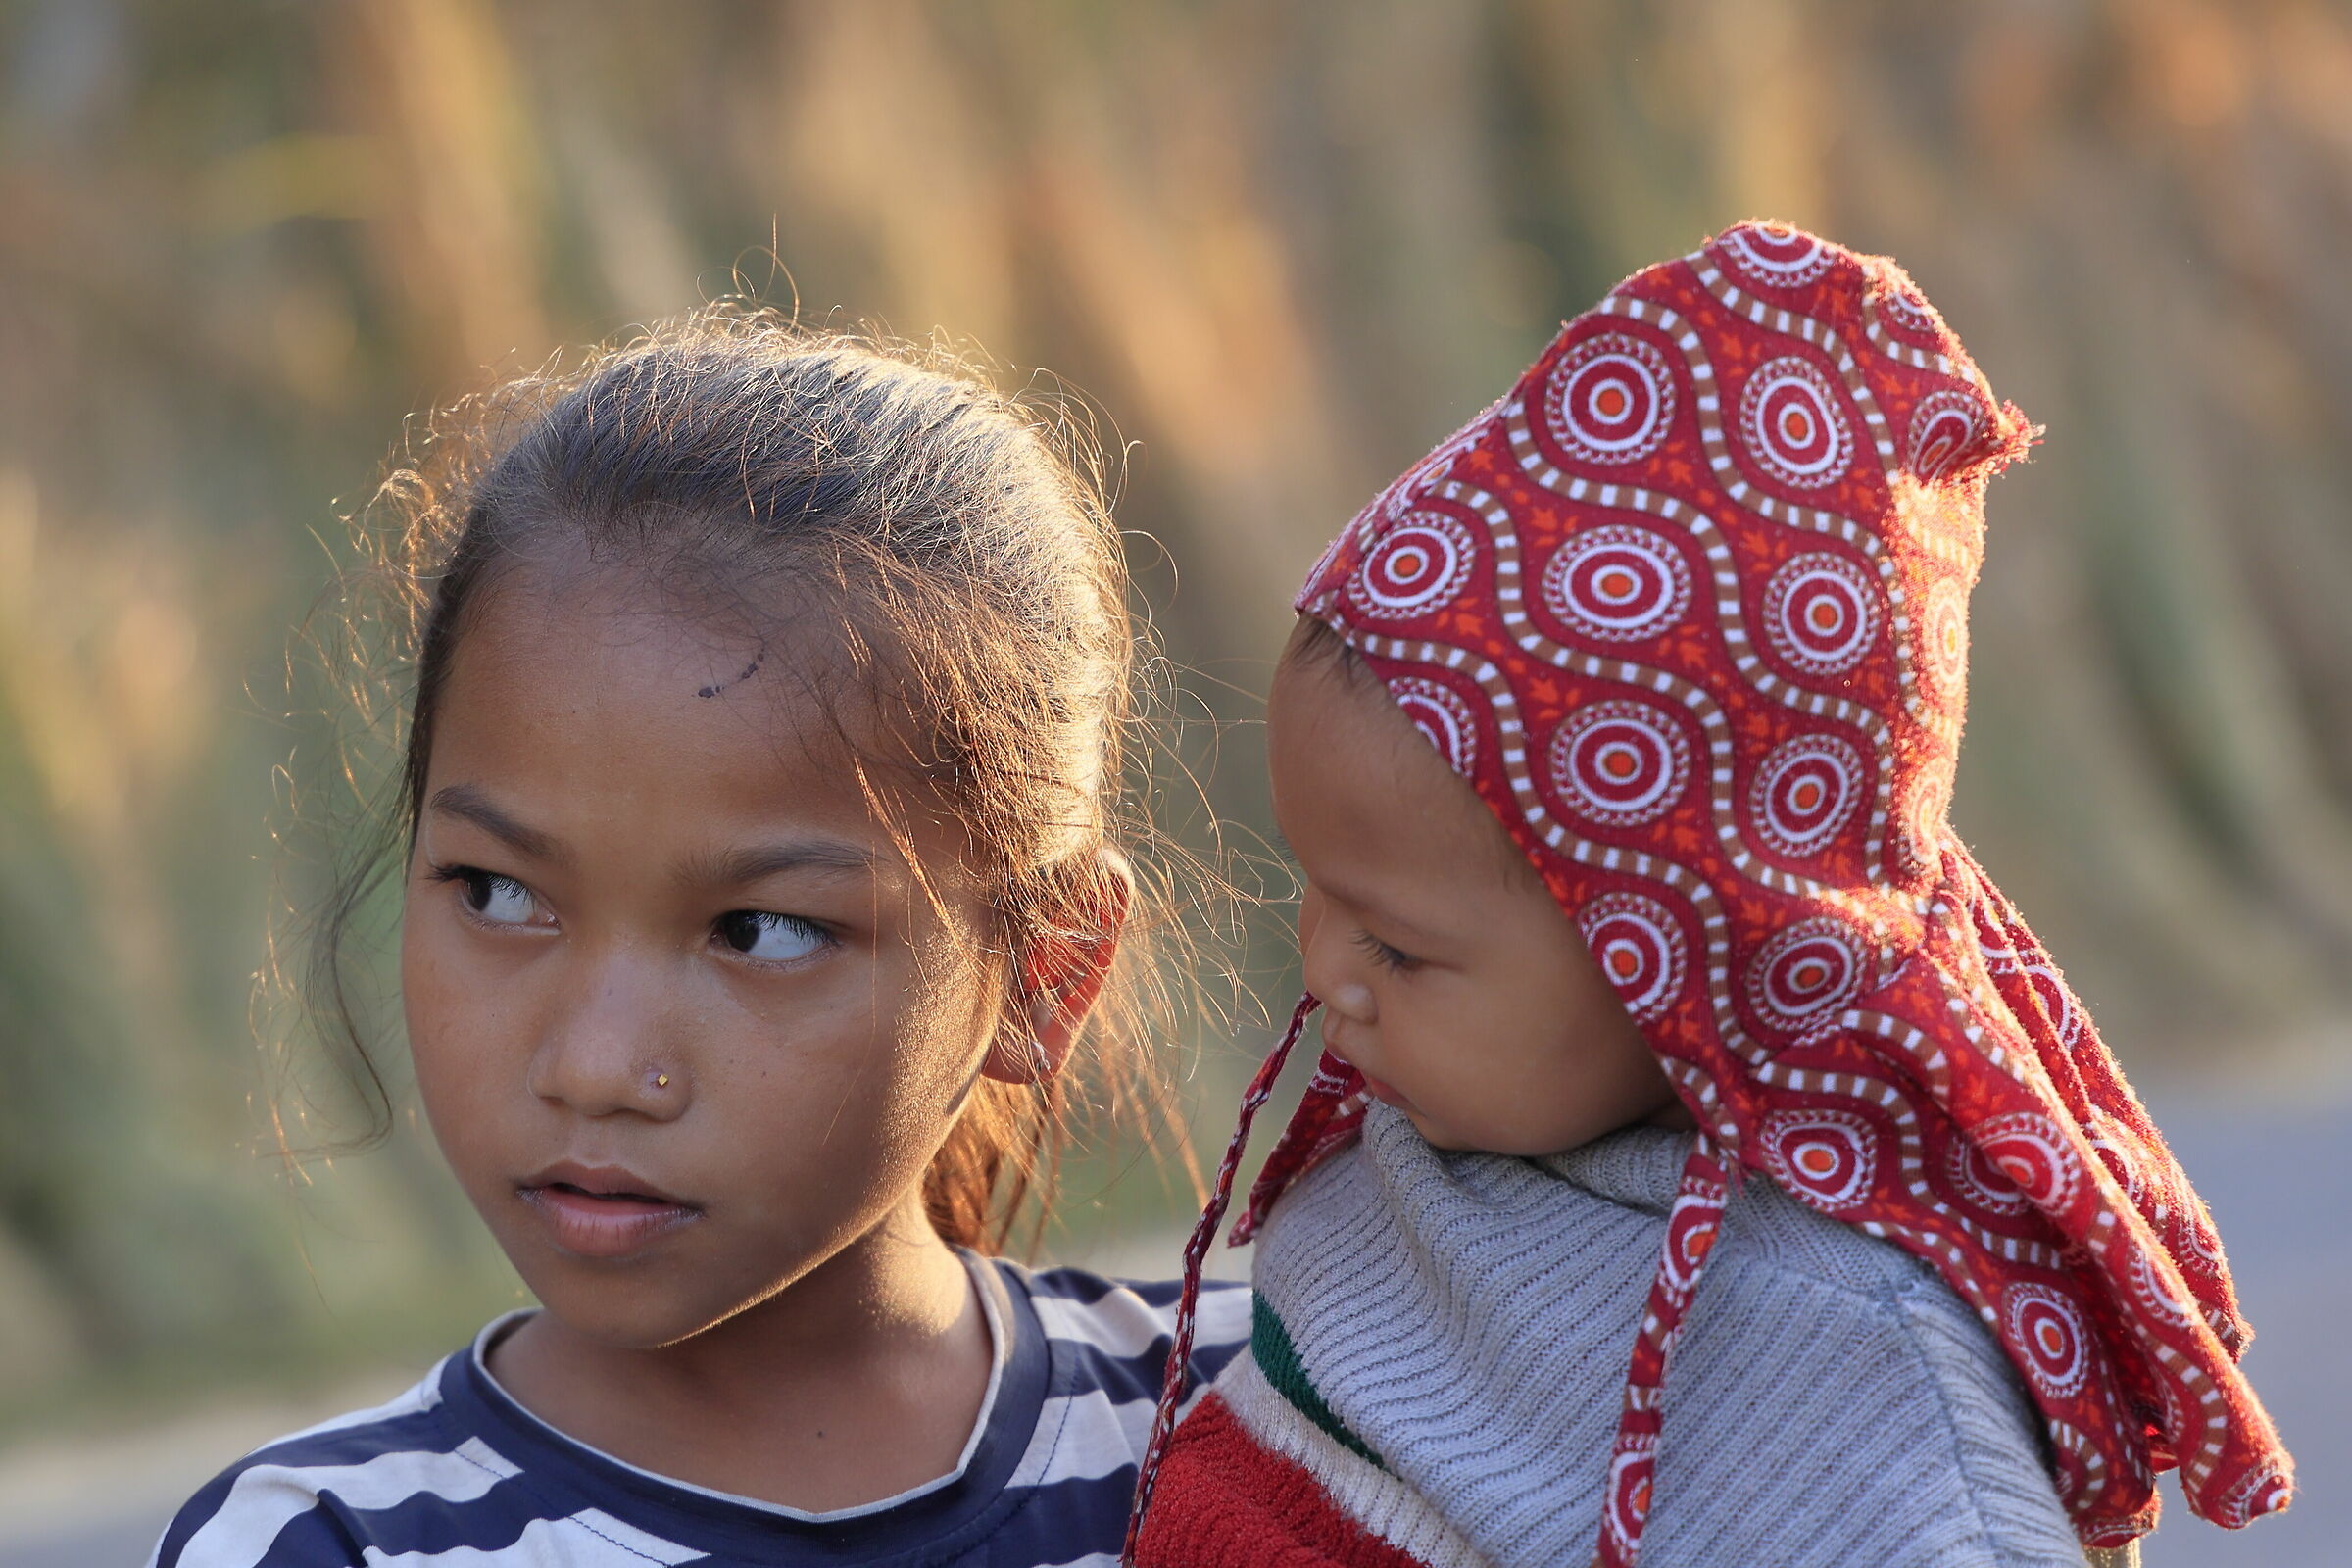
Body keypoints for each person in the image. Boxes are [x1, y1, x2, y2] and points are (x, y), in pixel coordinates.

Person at [1126, 222, 2292, 1567]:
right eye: (1318, 893)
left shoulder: (1853, 1379)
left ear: (1698, 970)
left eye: (1397, 944)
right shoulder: (1429, 1142)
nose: (1324, 969)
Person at [150, 314, 1248, 1568]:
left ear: (1042, 972)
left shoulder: (1270, 1432)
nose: (597, 1066)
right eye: (502, 895)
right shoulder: (331, 1547)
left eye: (760, 930)